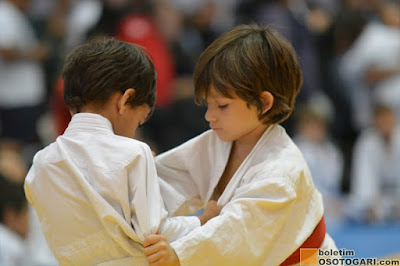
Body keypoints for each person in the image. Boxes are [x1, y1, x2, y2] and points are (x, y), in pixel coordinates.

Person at [143, 24, 339, 266]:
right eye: (208, 104)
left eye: (222, 106)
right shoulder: (219, 142)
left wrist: (179, 255)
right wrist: (137, 174)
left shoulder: (281, 171)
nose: (209, 116)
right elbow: (169, 177)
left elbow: (236, 231)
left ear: (263, 103)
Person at [24, 37, 221, 265]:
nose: (134, 132)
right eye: (139, 122)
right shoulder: (134, 152)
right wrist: (202, 220)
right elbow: (154, 236)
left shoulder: (39, 164)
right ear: (126, 100)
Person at [348, 103, 400, 223]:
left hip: (397, 199)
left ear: (394, 118)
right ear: (375, 122)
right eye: (382, 120)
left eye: (388, 118)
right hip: (376, 201)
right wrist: (370, 204)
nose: (386, 123)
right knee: (368, 212)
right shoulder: (366, 143)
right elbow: (364, 179)